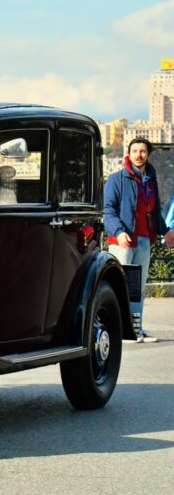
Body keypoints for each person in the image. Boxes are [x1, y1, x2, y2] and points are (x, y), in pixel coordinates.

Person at [104, 137, 174, 342]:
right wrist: (118, 232)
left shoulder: (151, 181)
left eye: (142, 151)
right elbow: (108, 210)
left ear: (148, 154)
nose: (138, 155)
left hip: (144, 240)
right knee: (120, 286)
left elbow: (155, 211)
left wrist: (165, 231)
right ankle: (118, 330)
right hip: (122, 241)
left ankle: (136, 330)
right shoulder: (116, 179)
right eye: (134, 151)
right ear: (129, 153)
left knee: (138, 288)